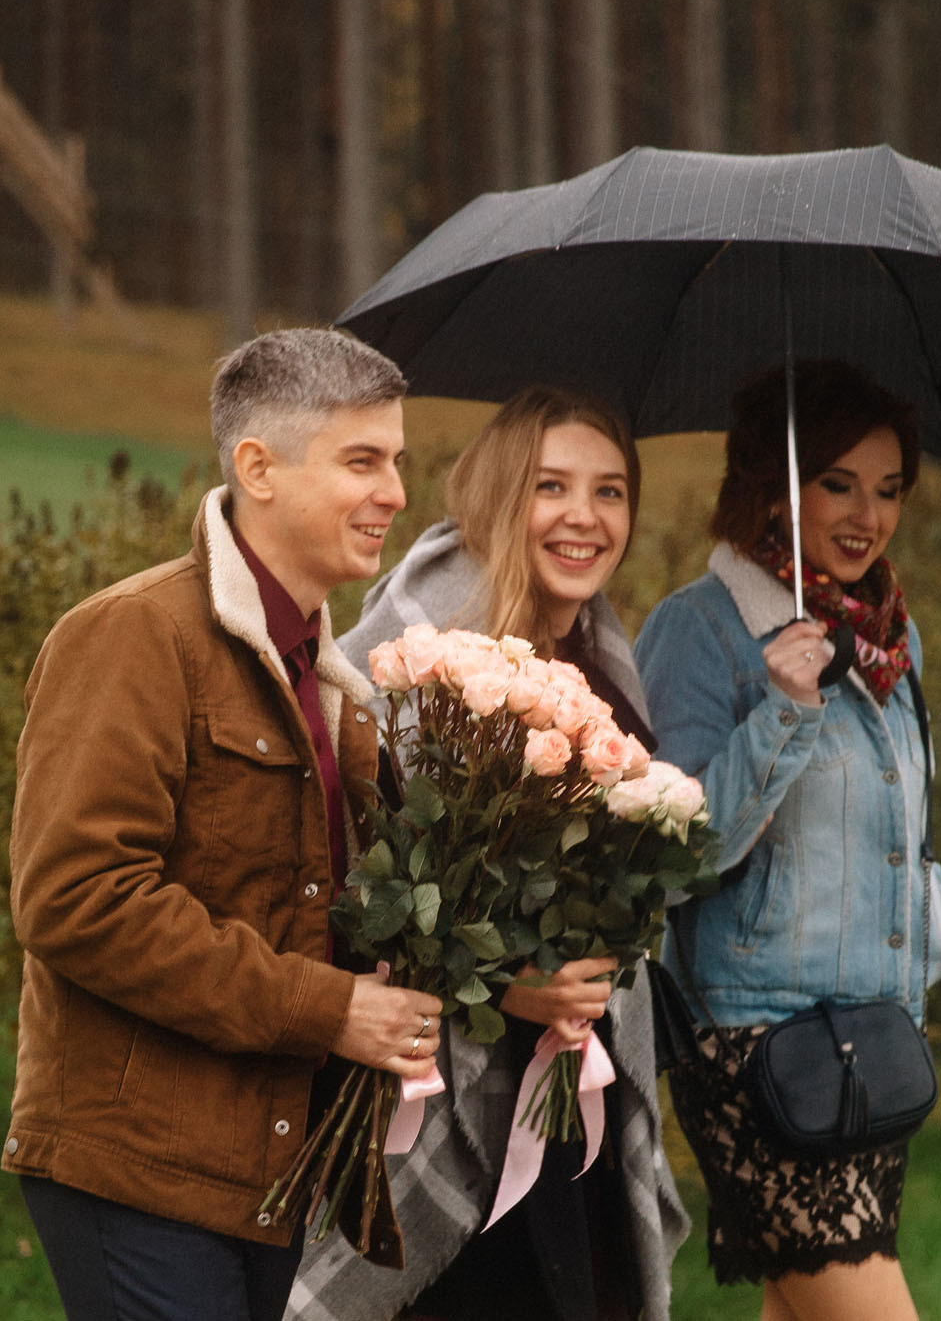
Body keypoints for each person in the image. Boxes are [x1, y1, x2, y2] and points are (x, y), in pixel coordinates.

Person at [3, 328, 447, 1321]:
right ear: (259, 468)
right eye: (362, 461)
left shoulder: (335, 688)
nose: (395, 495)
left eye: (399, 463)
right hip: (134, 1165)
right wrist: (325, 1007)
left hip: (263, 1166)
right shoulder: (135, 636)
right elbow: (76, 900)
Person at [289, 387, 689, 1321]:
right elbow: (349, 892)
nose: (586, 517)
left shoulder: (598, 664)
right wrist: (510, 985)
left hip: (555, 1110)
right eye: (552, 486)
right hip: (440, 1106)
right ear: (502, 497)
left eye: (612, 491)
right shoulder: (416, 660)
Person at [632, 360, 941, 1321]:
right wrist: (783, 708)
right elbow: (674, 857)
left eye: (889, 489)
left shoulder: (892, 638)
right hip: (760, 1051)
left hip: (873, 1042)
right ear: (771, 486)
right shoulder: (701, 632)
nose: (869, 515)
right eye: (838, 483)